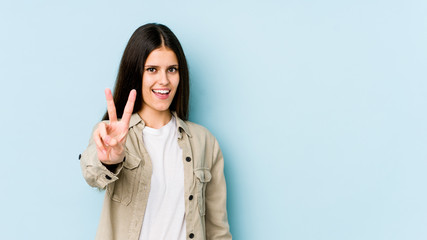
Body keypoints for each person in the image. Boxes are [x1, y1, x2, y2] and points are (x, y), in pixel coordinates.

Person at [80, 23, 232, 240]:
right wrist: (109, 160)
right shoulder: (113, 135)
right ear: (136, 72)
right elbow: (91, 172)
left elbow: (218, 231)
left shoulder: (204, 142)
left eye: (172, 69)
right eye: (152, 69)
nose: (164, 80)